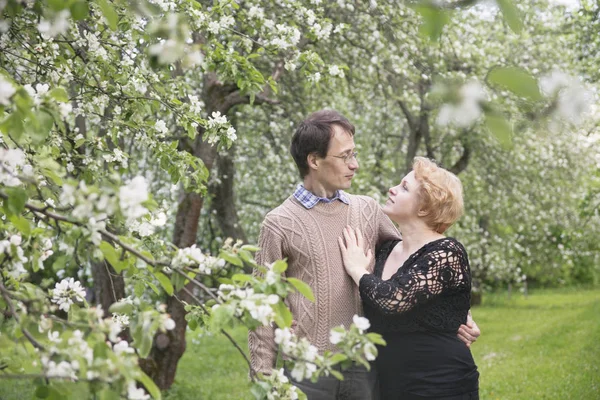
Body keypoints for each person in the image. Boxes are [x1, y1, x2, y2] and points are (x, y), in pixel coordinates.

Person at [249, 110, 480, 400]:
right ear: (314, 160)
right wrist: (264, 377)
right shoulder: (279, 223)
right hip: (308, 370)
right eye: (345, 157)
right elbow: (262, 304)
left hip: (367, 367)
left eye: (354, 154)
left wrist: (456, 314)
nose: (355, 165)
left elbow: (417, 266)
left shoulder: (367, 210)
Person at [339, 157, 480, 400]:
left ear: (424, 207)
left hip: (442, 384)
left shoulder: (446, 252)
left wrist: (356, 269)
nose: (392, 189)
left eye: (404, 187)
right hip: (391, 385)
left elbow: (393, 299)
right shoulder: (385, 249)